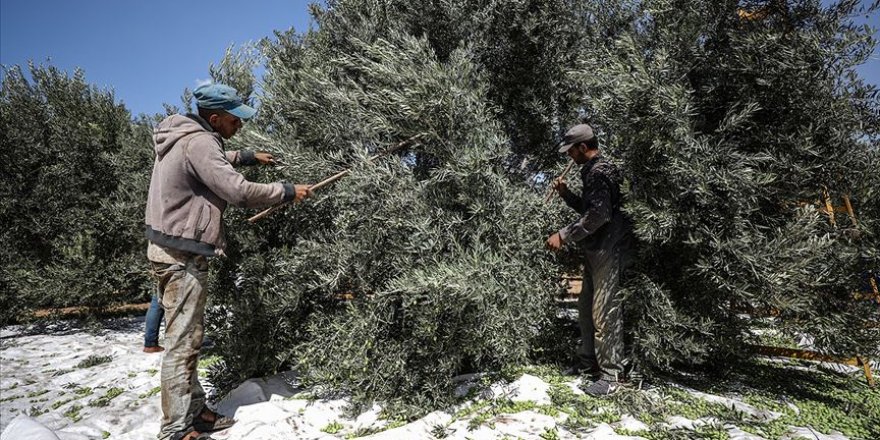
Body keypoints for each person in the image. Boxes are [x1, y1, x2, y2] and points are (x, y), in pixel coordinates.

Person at [145, 83, 312, 440]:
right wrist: (286, 191)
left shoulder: (184, 136)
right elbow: (236, 190)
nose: (241, 125)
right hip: (182, 255)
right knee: (182, 343)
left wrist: (249, 156)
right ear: (216, 118)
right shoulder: (200, 142)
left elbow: (214, 160)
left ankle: (196, 412)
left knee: (187, 336)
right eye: (236, 120)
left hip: (167, 249)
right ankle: (175, 430)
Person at [546, 123, 633, 396]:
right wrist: (566, 195)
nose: (570, 157)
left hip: (609, 250)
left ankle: (611, 377)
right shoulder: (592, 172)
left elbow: (599, 217)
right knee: (586, 309)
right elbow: (589, 208)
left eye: (571, 151)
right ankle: (589, 365)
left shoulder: (600, 172)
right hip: (595, 251)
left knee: (604, 313)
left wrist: (563, 234)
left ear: (583, 147)